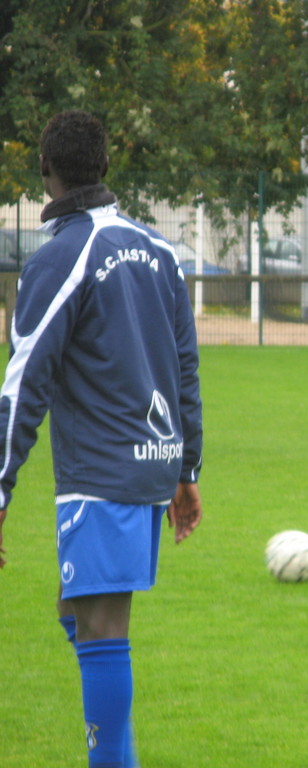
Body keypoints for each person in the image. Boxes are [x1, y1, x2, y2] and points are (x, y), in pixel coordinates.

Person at [0, 110, 203, 767]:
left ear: (44, 172)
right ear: (107, 167)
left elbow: (24, 382)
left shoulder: (62, 256)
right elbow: (184, 367)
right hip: (149, 464)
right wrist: (186, 469)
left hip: (102, 473)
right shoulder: (158, 249)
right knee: (77, 609)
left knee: (102, 626)